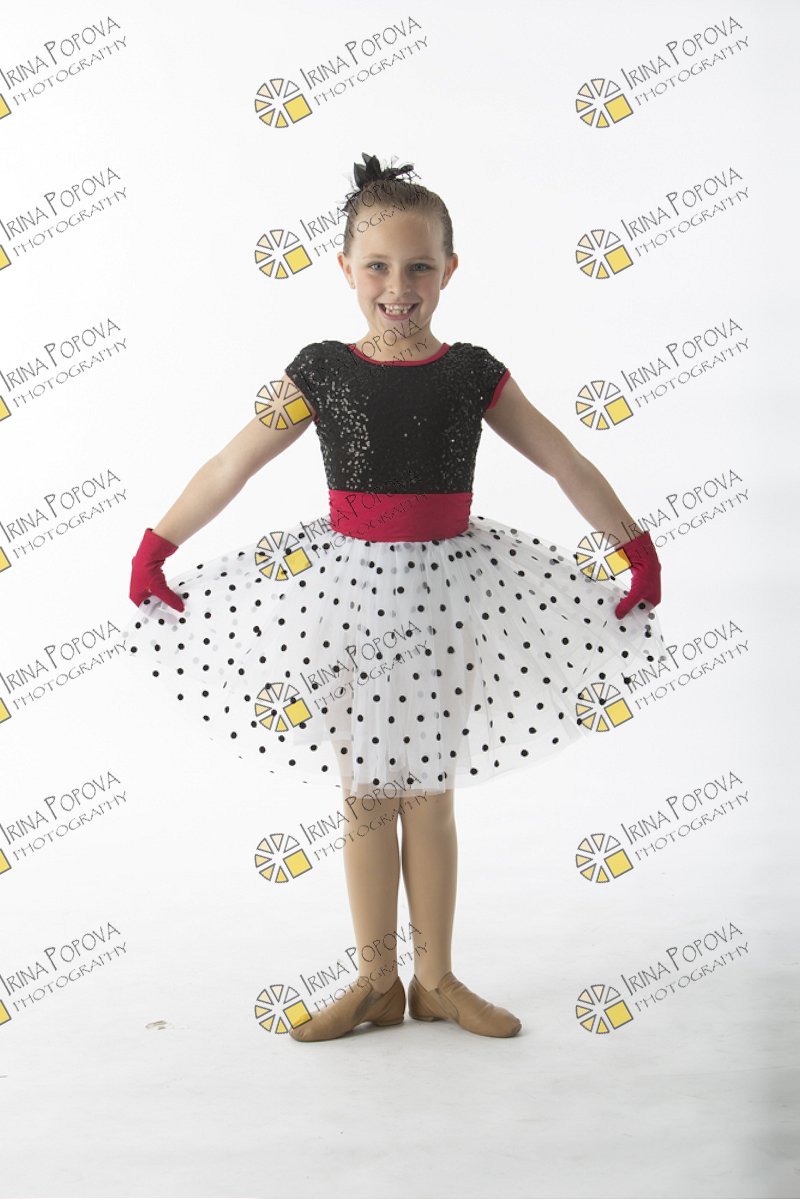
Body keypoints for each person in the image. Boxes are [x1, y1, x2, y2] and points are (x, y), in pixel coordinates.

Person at [125, 152, 667, 1043]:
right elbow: (232, 462)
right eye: (377, 266)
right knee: (365, 798)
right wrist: (161, 543)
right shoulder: (321, 370)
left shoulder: (473, 372)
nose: (398, 287)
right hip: (349, 602)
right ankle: (376, 980)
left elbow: (562, 459)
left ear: (450, 269)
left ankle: (437, 978)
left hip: (450, 600)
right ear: (345, 269)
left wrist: (631, 545)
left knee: (431, 796)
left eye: (419, 266)